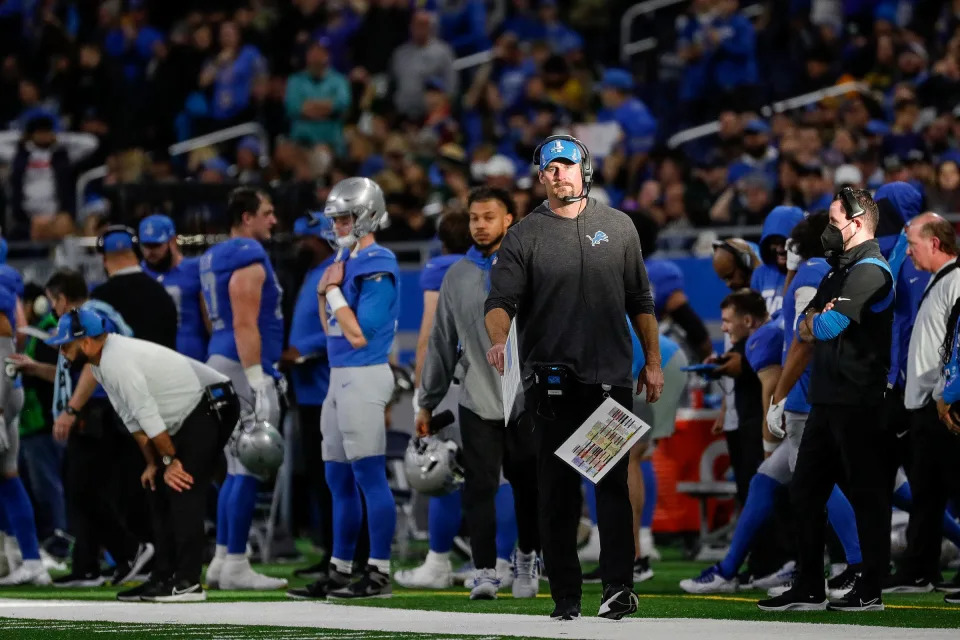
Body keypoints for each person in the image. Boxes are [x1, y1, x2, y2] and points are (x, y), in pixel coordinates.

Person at [484, 135, 663, 621]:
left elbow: (640, 302)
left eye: (567, 165)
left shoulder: (620, 227)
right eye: (551, 167)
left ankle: (618, 588)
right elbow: (500, 302)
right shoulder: (524, 234)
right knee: (558, 492)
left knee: (609, 485)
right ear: (540, 176)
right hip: (551, 383)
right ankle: (565, 596)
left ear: (585, 169)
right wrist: (499, 340)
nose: (560, 173)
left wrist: (653, 361)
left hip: (608, 378)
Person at [683, 214, 863, 598]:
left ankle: (854, 564)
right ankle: (731, 568)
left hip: (805, 396)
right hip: (811, 393)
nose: (782, 255)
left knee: (821, 484)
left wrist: (780, 395)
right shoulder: (810, 274)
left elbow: (806, 340)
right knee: (766, 479)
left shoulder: (810, 273)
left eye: (788, 248)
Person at [45, 309, 240, 602]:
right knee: (157, 489)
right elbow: (133, 421)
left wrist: (170, 462)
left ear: (86, 342)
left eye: (66, 344)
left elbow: (148, 415)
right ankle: (163, 576)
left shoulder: (116, 362)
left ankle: (187, 581)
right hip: (190, 412)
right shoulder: (101, 363)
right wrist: (154, 462)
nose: (62, 351)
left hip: (212, 403)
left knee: (181, 488)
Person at [759, 188, 894, 612]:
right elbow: (803, 327)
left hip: (862, 403)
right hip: (827, 400)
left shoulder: (872, 270)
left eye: (834, 224)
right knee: (804, 492)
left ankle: (871, 589)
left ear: (857, 223)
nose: (828, 232)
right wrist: (817, 319)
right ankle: (809, 586)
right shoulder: (839, 271)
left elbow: (829, 326)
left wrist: (818, 319)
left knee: (868, 496)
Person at [417, 187, 541, 600]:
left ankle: (527, 557)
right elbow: (441, 341)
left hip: (527, 398)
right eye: (474, 218)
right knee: (479, 487)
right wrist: (427, 400)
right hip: (476, 397)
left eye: (489, 217)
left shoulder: (532, 265)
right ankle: (485, 570)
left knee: (528, 485)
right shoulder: (456, 275)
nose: (480, 225)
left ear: (509, 219)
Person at [288, 177, 400, 600]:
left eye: (344, 217)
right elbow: (331, 328)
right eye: (334, 218)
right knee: (337, 477)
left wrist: (332, 291)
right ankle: (339, 567)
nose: (336, 225)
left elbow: (359, 335)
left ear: (367, 215)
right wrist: (326, 296)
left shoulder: (378, 260)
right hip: (339, 377)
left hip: (365, 373)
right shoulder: (346, 260)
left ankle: (379, 571)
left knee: (368, 475)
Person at [20, 269, 155, 588]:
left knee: (84, 490)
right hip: (103, 410)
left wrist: (70, 409)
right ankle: (88, 565)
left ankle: (132, 551)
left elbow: (96, 366)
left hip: (100, 413)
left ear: (62, 298)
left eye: (53, 302)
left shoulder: (88, 317)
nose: (53, 310)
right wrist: (36, 369)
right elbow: (74, 374)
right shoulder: (98, 313)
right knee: (89, 490)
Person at [199, 187, 287, 591]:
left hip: (221, 360)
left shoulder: (214, 255)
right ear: (246, 217)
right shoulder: (247, 255)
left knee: (235, 467)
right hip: (240, 364)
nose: (273, 220)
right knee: (250, 463)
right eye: (266, 213)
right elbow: (244, 322)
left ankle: (221, 559)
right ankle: (236, 563)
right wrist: (257, 377)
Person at [398, 210, 472, 590]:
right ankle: (508, 563)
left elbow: (429, 337)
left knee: (445, 472)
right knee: (503, 477)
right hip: (497, 381)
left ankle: (439, 563)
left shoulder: (441, 268)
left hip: (453, 383)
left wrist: (422, 397)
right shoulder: (496, 264)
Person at [887, 214, 960, 592]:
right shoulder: (939, 279)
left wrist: (946, 396)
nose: (909, 251)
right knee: (927, 493)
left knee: (947, 487)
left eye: (913, 243)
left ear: (934, 243)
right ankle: (920, 569)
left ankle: (922, 567)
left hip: (944, 405)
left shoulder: (956, 280)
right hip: (926, 406)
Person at [282, 215, 336, 582]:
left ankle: (343, 554)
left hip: (326, 388)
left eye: (306, 239)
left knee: (332, 478)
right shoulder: (309, 273)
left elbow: (342, 325)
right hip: (306, 389)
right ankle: (328, 550)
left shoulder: (335, 271)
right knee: (317, 478)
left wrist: (302, 348)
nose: (300, 246)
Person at [0, 275, 51, 586]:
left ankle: (25, 557)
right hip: (8, 393)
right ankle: (27, 557)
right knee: (7, 478)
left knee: (8, 477)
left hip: (3, 396)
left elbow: (4, 356)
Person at [139, 214, 210, 362]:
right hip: (152, 354)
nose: (150, 252)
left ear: (172, 241)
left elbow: (209, 317)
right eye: (146, 246)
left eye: (156, 245)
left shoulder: (196, 269)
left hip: (192, 354)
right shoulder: (138, 274)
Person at [751, 206, 805, 316]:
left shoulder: (808, 272)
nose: (780, 249)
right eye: (774, 242)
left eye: (784, 241)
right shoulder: (760, 274)